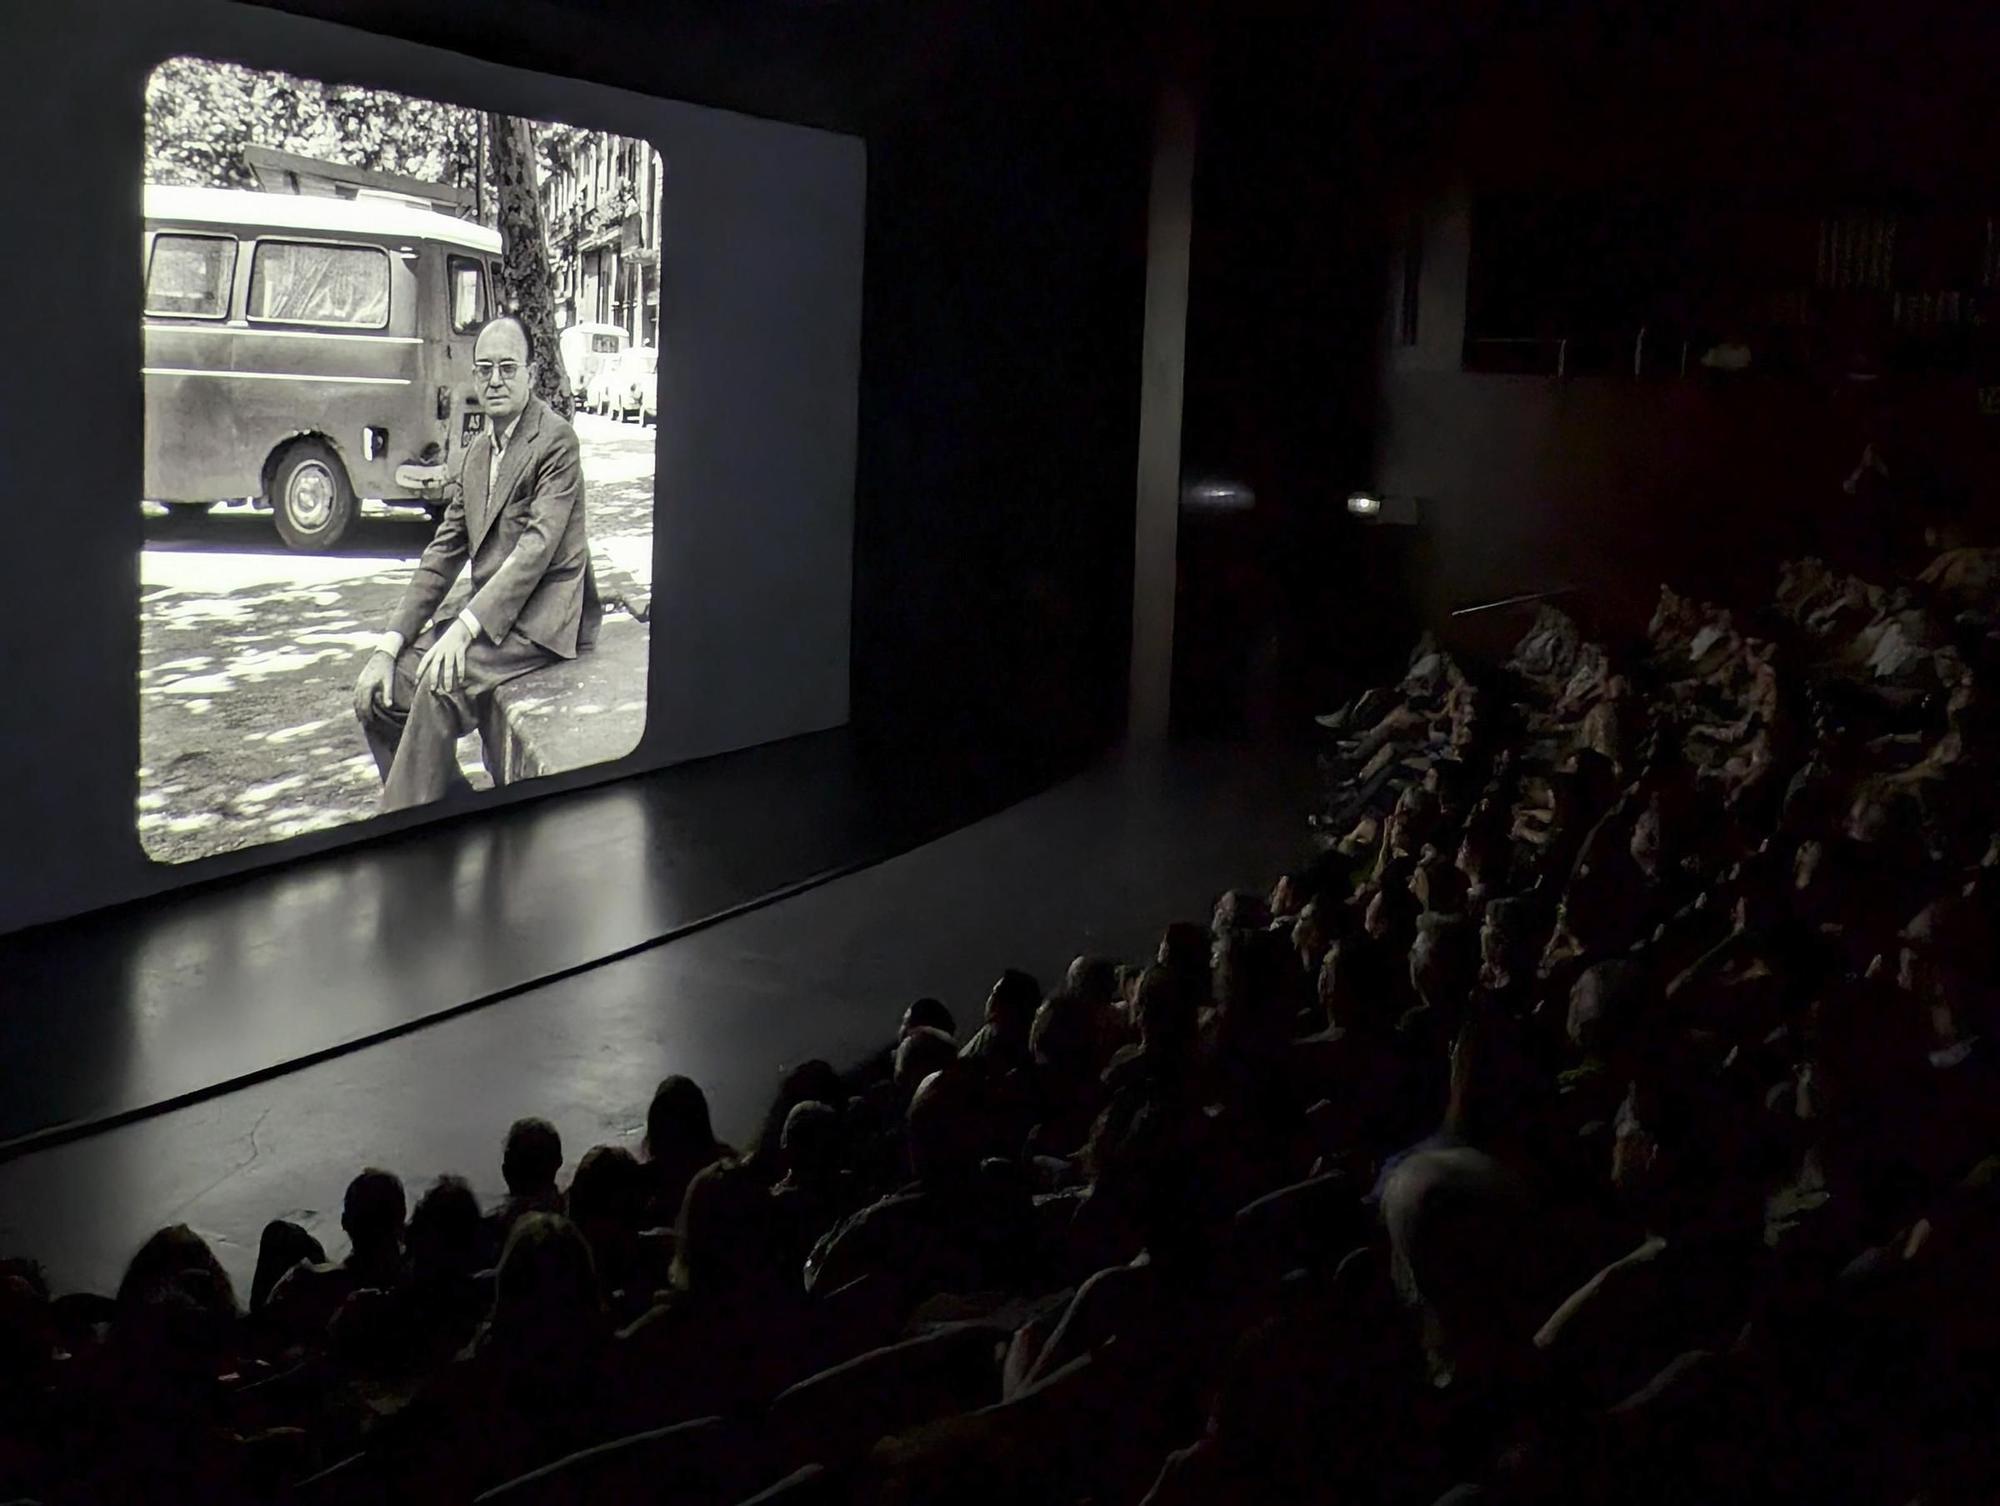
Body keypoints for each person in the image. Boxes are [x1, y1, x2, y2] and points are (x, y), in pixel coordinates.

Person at [352, 314, 601, 812]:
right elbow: (442, 554)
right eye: (484, 369)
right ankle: (443, 807)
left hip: (541, 620)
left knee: (436, 684)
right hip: (491, 618)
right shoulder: (475, 453)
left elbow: (535, 550)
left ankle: (398, 830)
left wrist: (462, 631)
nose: (495, 380)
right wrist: (388, 644)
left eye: (508, 368)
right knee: (378, 694)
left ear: (531, 373)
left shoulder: (554, 442)